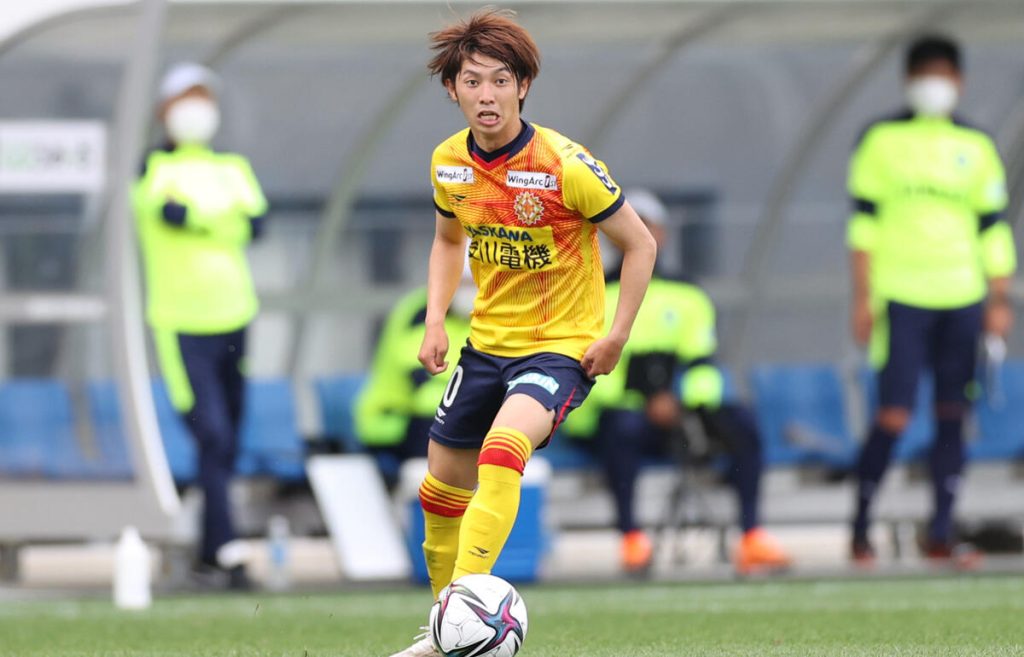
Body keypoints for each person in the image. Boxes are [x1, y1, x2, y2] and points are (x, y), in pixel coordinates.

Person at [389, 9, 657, 656]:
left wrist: (617, 335)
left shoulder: (565, 165)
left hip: (561, 347)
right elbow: (448, 240)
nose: (487, 95)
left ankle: (459, 615)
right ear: (452, 89)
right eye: (472, 81)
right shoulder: (449, 163)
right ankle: (446, 627)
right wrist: (435, 318)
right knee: (439, 489)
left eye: (500, 81)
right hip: (486, 345)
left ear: (523, 86)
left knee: (504, 448)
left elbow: (641, 244)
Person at [847, 35, 1015, 567]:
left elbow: (993, 230)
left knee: (951, 414)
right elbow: (863, 228)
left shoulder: (977, 145)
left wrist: (999, 298)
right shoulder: (880, 140)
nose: (934, 84)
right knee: (894, 414)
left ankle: (942, 531)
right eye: (926, 74)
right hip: (902, 298)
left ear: (959, 82)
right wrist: (862, 297)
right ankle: (859, 528)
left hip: (963, 297)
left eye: (943, 75)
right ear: (908, 80)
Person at [562, 189, 791, 576]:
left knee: (743, 423)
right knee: (621, 429)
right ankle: (631, 538)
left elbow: (702, 362)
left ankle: (752, 535)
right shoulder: (593, 292)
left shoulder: (688, 294)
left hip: (677, 414)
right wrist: (644, 400)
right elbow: (589, 367)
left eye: (646, 224)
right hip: (620, 415)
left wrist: (685, 404)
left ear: (661, 233)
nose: (637, 231)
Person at [133, 62, 268, 590]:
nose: (195, 108)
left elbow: (256, 224)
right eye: (184, 98)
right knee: (210, 432)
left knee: (228, 437)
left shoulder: (232, 167)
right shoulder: (153, 168)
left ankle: (211, 549)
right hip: (181, 322)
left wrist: (200, 219)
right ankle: (224, 548)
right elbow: (169, 214)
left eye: (202, 97)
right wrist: (223, 221)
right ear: (164, 110)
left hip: (235, 315)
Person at [353, 284, 471, 486]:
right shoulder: (421, 312)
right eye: (466, 282)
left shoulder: (491, 313)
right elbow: (427, 386)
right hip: (395, 419)